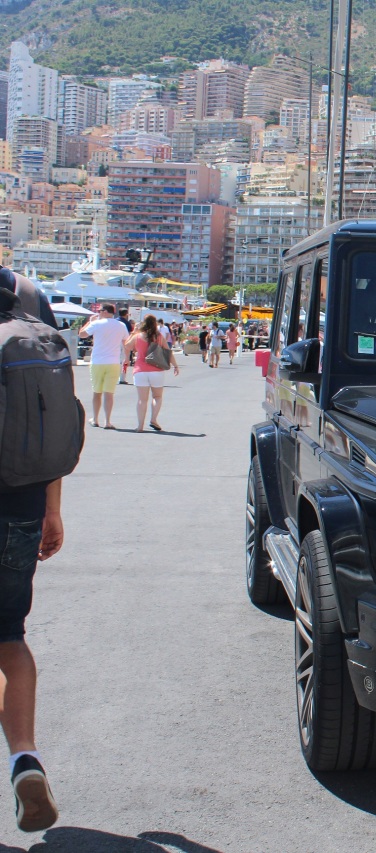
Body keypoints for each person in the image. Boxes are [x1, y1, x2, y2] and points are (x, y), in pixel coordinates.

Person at [0, 267, 65, 832]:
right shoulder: (27, 296)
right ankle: (24, 757)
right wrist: (52, 507)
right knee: (8, 637)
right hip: (19, 503)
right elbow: (49, 415)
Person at [123, 315, 180, 432]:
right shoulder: (158, 336)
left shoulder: (138, 336)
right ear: (155, 324)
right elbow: (168, 352)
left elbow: (127, 346)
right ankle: (153, 419)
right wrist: (175, 365)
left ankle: (140, 426)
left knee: (142, 399)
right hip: (156, 371)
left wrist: (134, 332)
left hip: (140, 370)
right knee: (157, 396)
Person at [77, 304, 129, 429]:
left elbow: (82, 334)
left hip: (98, 361)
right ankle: (108, 421)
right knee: (109, 393)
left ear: (105, 311)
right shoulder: (121, 325)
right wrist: (126, 357)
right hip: (113, 362)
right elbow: (125, 342)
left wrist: (90, 321)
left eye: (100, 311)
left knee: (97, 392)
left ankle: (95, 419)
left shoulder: (97, 324)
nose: (98, 313)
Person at [117, 307, 134, 385]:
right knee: (124, 360)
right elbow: (130, 333)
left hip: (114, 342)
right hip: (124, 342)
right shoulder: (126, 323)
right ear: (126, 314)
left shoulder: (115, 321)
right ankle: (122, 378)